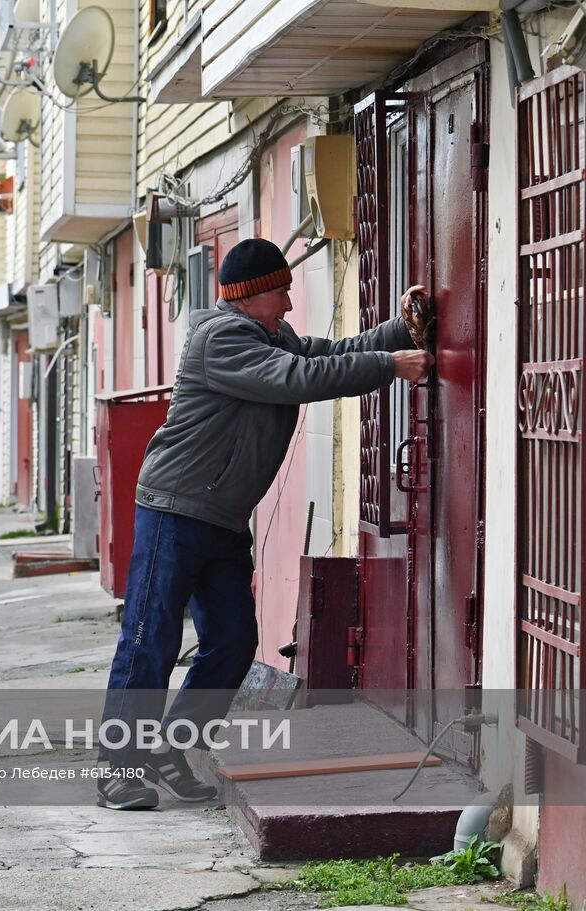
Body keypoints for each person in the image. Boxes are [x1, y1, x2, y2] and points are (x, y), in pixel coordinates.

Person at [96, 238, 435, 811]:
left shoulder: (270, 336)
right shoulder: (221, 338)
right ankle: (118, 767)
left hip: (222, 517)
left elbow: (327, 354)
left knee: (233, 640)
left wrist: (398, 333)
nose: (288, 303)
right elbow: (299, 380)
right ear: (251, 296)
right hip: (174, 510)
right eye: (280, 291)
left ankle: (173, 747)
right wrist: (388, 368)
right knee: (149, 636)